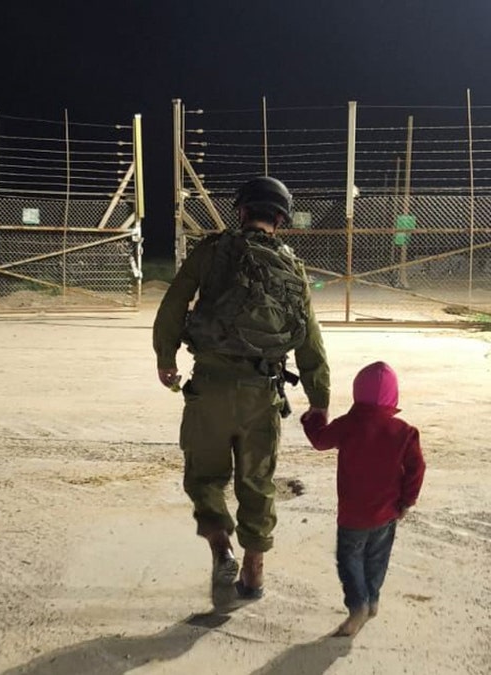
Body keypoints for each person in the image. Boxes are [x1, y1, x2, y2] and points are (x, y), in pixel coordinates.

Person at [153, 176, 330, 600]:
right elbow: (310, 339)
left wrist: (166, 357)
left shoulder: (213, 250)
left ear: (242, 211)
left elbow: (175, 302)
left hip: (210, 388)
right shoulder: (292, 267)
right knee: (257, 483)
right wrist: (319, 400)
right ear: (281, 219)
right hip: (261, 393)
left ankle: (221, 547)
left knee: (204, 478)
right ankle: (254, 571)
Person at [300, 361, 425, 637]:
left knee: (349, 560)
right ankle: (373, 599)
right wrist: (406, 501)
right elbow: (417, 469)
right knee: (377, 558)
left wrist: (314, 417)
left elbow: (320, 440)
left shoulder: (347, 425)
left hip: (352, 516)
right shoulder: (404, 432)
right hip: (387, 514)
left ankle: (358, 605)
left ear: (357, 393)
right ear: (394, 397)